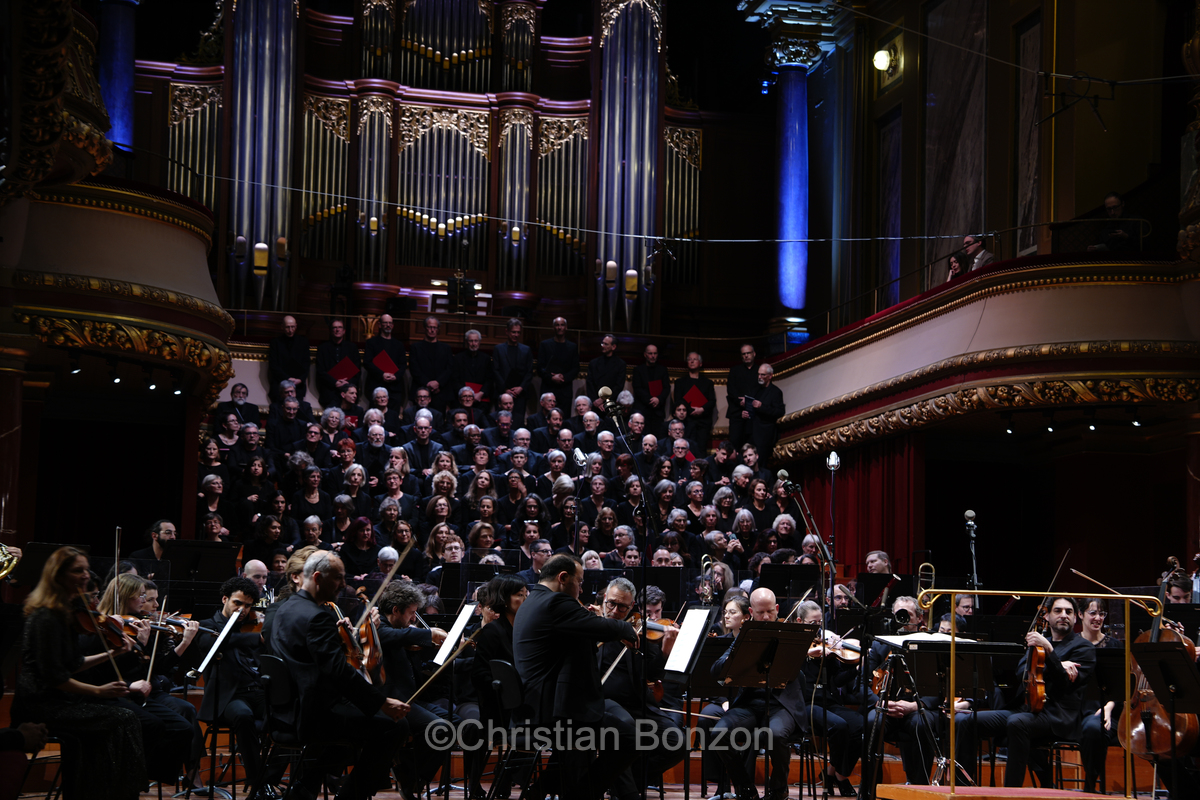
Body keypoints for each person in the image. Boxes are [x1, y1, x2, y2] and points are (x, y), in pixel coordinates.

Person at [267, 551, 410, 800]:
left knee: (358, 722)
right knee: (394, 727)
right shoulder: (317, 617)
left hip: (284, 711)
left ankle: (304, 788)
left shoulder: (286, 608)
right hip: (311, 715)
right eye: (338, 578)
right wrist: (382, 702)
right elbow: (337, 671)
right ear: (318, 577)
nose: (344, 584)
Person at [11, 546, 148, 800]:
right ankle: (122, 793)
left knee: (118, 720)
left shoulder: (66, 614)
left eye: (86, 569)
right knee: (123, 718)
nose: (86, 575)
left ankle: (106, 791)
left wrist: (113, 654)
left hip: (62, 701)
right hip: (39, 704)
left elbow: (73, 663)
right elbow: (53, 676)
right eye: (78, 570)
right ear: (58, 576)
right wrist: (98, 690)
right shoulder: (45, 617)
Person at [512, 553, 638, 800]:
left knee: (598, 734)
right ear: (563, 577)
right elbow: (603, 626)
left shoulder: (531, 601)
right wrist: (627, 628)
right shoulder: (556, 603)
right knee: (630, 738)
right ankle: (583, 793)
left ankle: (543, 791)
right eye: (579, 582)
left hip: (534, 706)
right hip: (553, 712)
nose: (581, 588)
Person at [955, 596, 1095, 789]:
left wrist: (1049, 651)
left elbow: (1064, 682)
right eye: (1058, 611)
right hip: (1026, 710)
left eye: (1069, 612)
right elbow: (1022, 673)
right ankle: (963, 787)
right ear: (1046, 615)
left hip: (1056, 716)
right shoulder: (1037, 642)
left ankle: (1011, 792)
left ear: (1075, 618)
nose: (1064, 615)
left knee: (1017, 723)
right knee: (967, 721)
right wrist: (1057, 663)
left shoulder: (1083, 647)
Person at [711, 587, 807, 800]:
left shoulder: (791, 634)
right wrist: (736, 659)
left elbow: (800, 673)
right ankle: (745, 788)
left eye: (770, 612)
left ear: (777, 609)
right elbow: (716, 669)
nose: (765, 617)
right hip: (750, 704)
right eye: (760, 612)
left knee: (775, 735)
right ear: (751, 612)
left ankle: (778, 790)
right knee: (719, 734)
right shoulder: (746, 636)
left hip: (782, 704)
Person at [597, 577, 685, 799]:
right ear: (604, 599)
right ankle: (625, 792)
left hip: (637, 704)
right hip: (604, 705)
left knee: (676, 742)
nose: (616, 611)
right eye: (612, 604)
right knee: (624, 732)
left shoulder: (638, 632)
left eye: (623, 607)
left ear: (632, 607)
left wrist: (665, 651)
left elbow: (653, 674)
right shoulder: (592, 627)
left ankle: (620, 781)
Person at [197, 577, 267, 790]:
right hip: (228, 697)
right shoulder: (207, 627)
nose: (243, 609)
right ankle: (258, 784)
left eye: (248, 605)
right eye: (238, 603)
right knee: (243, 716)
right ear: (225, 599)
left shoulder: (249, 627)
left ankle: (274, 777)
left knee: (289, 713)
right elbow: (218, 643)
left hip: (256, 690)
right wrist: (257, 638)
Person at [863, 596, 940, 785]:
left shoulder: (930, 645)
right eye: (899, 614)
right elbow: (864, 683)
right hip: (885, 706)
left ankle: (919, 786)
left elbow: (940, 686)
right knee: (872, 721)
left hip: (916, 708)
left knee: (923, 724)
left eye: (908, 615)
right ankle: (872, 788)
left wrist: (916, 705)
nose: (902, 620)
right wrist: (880, 703)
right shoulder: (879, 644)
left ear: (919, 619)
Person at [537, 316, 580, 414]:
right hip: (548, 388)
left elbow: (575, 368)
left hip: (565, 390)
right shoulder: (545, 345)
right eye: (557, 325)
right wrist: (552, 378)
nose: (559, 327)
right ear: (553, 327)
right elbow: (540, 367)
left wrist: (564, 377)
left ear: (566, 327)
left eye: (562, 325)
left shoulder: (572, 347)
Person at [315, 318, 361, 408]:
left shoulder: (352, 348)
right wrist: (335, 382)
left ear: (344, 331)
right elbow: (320, 371)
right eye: (334, 328)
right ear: (331, 331)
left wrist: (347, 383)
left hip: (349, 392)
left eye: (340, 327)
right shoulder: (322, 348)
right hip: (329, 392)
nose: (337, 330)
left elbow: (357, 370)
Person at [410, 316, 454, 410]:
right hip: (421, 391)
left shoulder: (446, 348)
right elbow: (414, 369)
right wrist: (428, 384)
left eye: (435, 327)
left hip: (440, 392)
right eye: (430, 327)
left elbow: (449, 368)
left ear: (438, 329)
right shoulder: (415, 347)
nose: (432, 330)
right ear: (425, 328)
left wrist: (438, 383)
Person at [743, 363, 784, 464]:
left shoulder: (775, 392)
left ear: (770, 376)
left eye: (763, 375)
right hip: (751, 432)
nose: (760, 377)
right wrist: (745, 413)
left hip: (764, 435)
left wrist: (762, 407)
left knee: (760, 464)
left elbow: (779, 411)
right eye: (758, 374)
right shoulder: (755, 390)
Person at [267, 316, 311, 402]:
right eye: (287, 327)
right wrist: (287, 379)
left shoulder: (303, 342)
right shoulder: (275, 343)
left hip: (298, 386)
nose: (290, 330)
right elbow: (273, 365)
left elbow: (306, 363)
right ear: (282, 327)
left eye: (292, 327)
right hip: (279, 386)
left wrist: (300, 379)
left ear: (296, 326)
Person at [493, 318, 534, 407]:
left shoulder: (526, 350)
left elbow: (529, 371)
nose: (516, 335)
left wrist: (521, 388)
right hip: (502, 393)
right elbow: (495, 370)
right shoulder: (498, 349)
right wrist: (505, 389)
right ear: (507, 331)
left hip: (520, 394)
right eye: (513, 332)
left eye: (518, 332)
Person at [630, 343, 671, 433]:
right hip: (643, 409)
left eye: (655, 353)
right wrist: (651, 400)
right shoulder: (638, 370)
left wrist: (658, 399)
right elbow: (637, 388)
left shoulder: (662, 370)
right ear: (645, 355)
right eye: (650, 353)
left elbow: (666, 388)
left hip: (658, 411)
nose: (653, 356)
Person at [363, 313, 406, 395]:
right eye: (385, 323)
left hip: (394, 387)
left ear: (393, 325)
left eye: (390, 323)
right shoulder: (371, 343)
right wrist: (382, 374)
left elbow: (403, 364)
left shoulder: (399, 345)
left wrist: (396, 376)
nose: (388, 325)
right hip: (376, 384)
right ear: (379, 325)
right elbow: (367, 362)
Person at [726, 344, 759, 449]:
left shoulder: (760, 371)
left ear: (754, 354)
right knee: (735, 442)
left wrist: (749, 401)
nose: (746, 356)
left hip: (755, 413)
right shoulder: (735, 371)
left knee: (753, 443)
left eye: (748, 353)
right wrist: (740, 402)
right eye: (743, 354)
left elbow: (762, 390)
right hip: (737, 412)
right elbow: (731, 390)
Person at [586, 334, 627, 410]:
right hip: (595, 404)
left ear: (613, 347)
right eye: (602, 343)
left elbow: (618, 386)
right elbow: (590, 383)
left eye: (606, 344)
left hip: (611, 403)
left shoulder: (620, 364)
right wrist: (595, 401)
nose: (602, 346)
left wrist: (603, 399)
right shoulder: (594, 363)